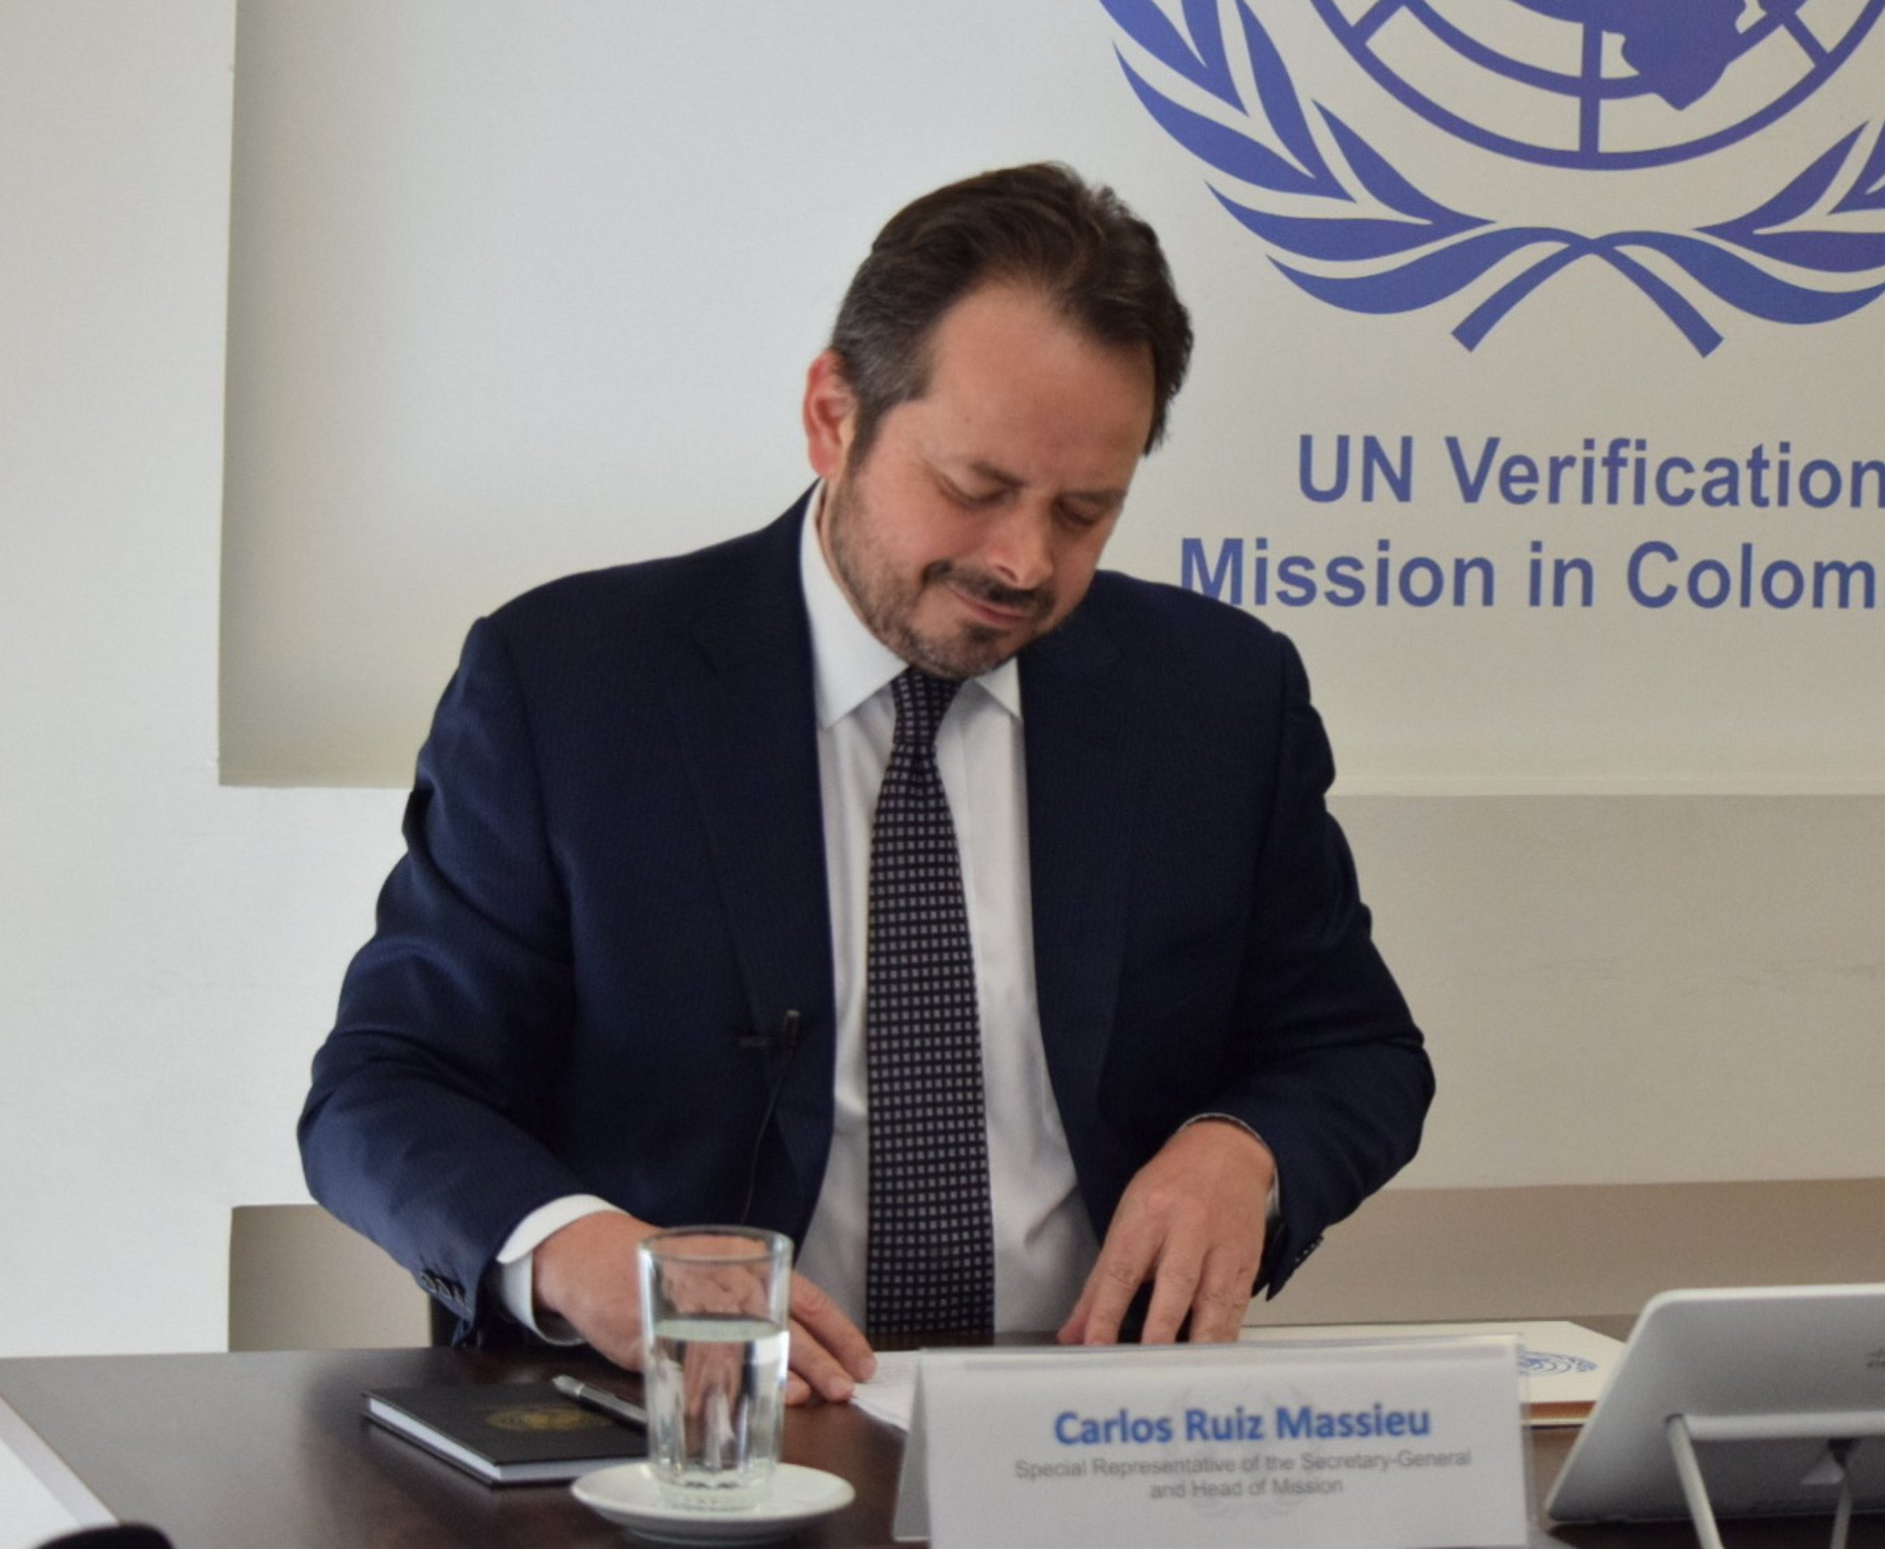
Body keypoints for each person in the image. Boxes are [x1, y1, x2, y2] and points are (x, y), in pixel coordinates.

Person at [299, 163, 1432, 1405]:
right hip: (696, 1433)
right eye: (975, 489)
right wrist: (586, 1257)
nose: (1023, 562)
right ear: (833, 415)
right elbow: (382, 1094)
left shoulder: (1216, 696)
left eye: (1084, 512)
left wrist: (1242, 1149)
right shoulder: (572, 687)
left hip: (1090, 1433)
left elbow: (1353, 1050)